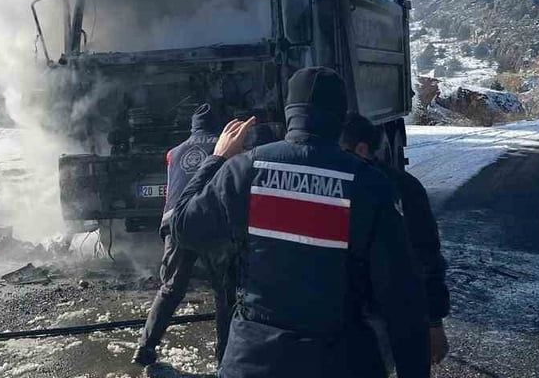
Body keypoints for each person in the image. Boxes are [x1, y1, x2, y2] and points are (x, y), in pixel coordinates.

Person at [171, 67, 431, 378]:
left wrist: (217, 159)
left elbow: (183, 226)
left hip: (253, 363)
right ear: (340, 115)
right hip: (340, 362)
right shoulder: (369, 184)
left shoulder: (243, 171)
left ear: (290, 111)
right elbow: (401, 296)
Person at [339, 113, 450, 370]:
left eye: (339, 149)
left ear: (362, 149)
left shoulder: (401, 190)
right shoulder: (403, 186)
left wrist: (434, 322)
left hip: (383, 318)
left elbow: (427, 259)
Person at [134, 104, 236, 367]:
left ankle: (145, 349)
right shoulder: (224, 147)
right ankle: (223, 360)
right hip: (208, 222)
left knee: (170, 288)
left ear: (193, 127)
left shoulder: (174, 152)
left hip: (175, 223)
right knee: (224, 292)